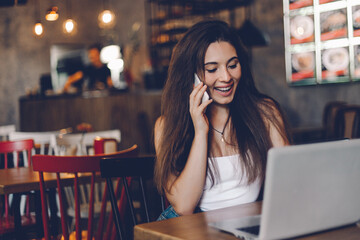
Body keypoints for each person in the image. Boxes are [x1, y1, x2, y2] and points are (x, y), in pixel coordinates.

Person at [154, 19, 291, 220]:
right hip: (190, 229)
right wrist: (201, 132)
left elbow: (290, 179)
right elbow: (184, 206)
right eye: (212, 69)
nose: (226, 77)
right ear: (190, 76)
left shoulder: (264, 113)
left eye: (232, 65)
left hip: (246, 225)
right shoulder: (166, 126)